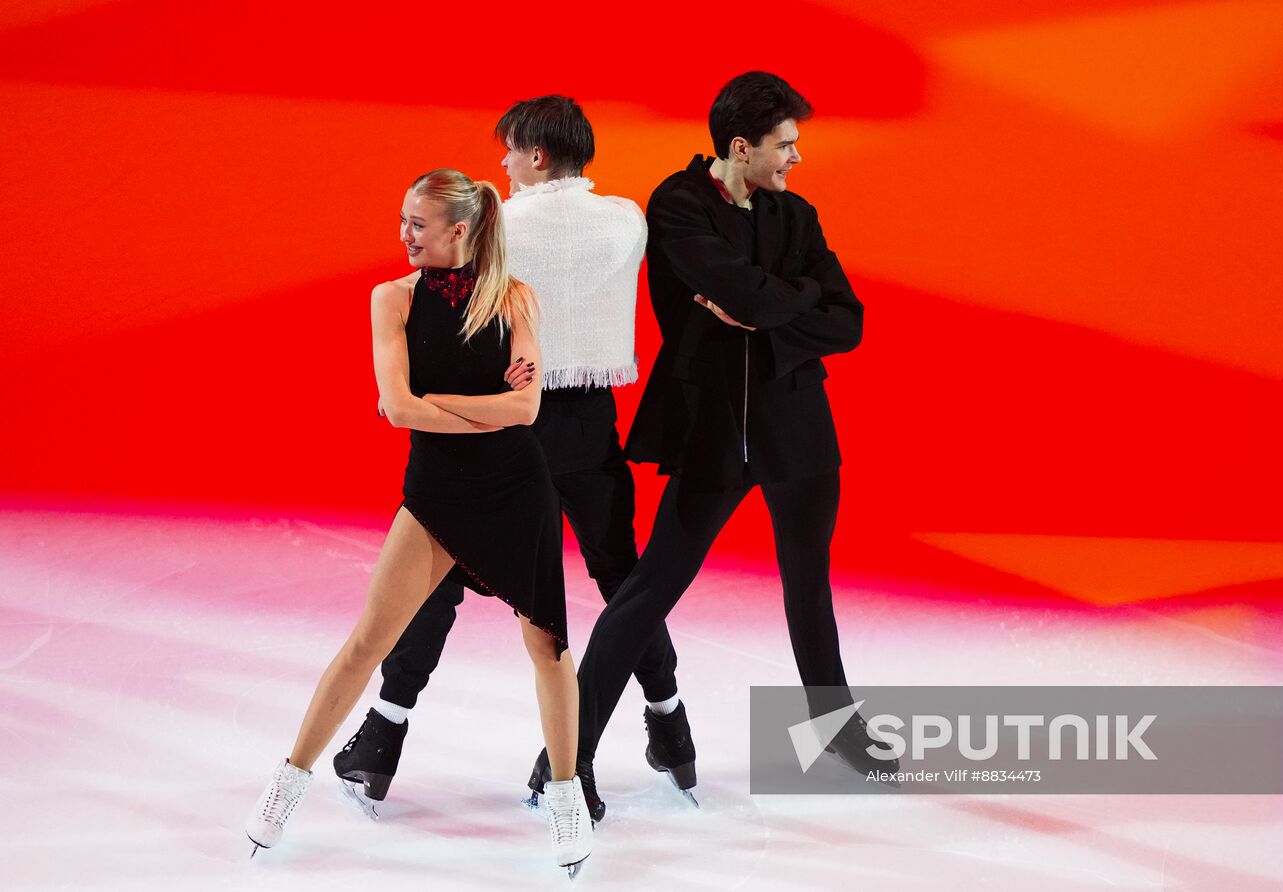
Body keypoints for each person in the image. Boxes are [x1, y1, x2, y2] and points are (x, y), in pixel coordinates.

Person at [543, 71, 899, 813]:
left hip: (798, 428)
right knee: (647, 591)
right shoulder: (677, 206)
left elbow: (849, 321)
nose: (796, 159)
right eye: (786, 146)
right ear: (741, 147)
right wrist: (780, 302)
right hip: (713, 433)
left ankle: (835, 727)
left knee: (810, 583)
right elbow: (743, 294)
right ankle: (565, 758)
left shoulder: (795, 215)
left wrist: (772, 307)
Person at [331, 97, 689, 825]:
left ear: (536, 155)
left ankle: (381, 740)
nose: (499, 164)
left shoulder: (499, 224)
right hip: (591, 423)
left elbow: (447, 301)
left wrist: (415, 397)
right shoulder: (627, 220)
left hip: (506, 428)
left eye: (509, 151)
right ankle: (669, 723)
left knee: (437, 584)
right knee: (624, 581)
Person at [244, 169, 592, 875]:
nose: (404, 234)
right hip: (435, 492)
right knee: (367, 641)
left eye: (418, 224)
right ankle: (288, 781)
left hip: (517, 489)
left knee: (548, 649)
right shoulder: (391, 299)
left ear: (458, 231)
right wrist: (471, 404)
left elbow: (523, 413)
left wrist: (433, 401)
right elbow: (399, 410)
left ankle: (566, 792)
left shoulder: (516, 298)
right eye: (403, 220)